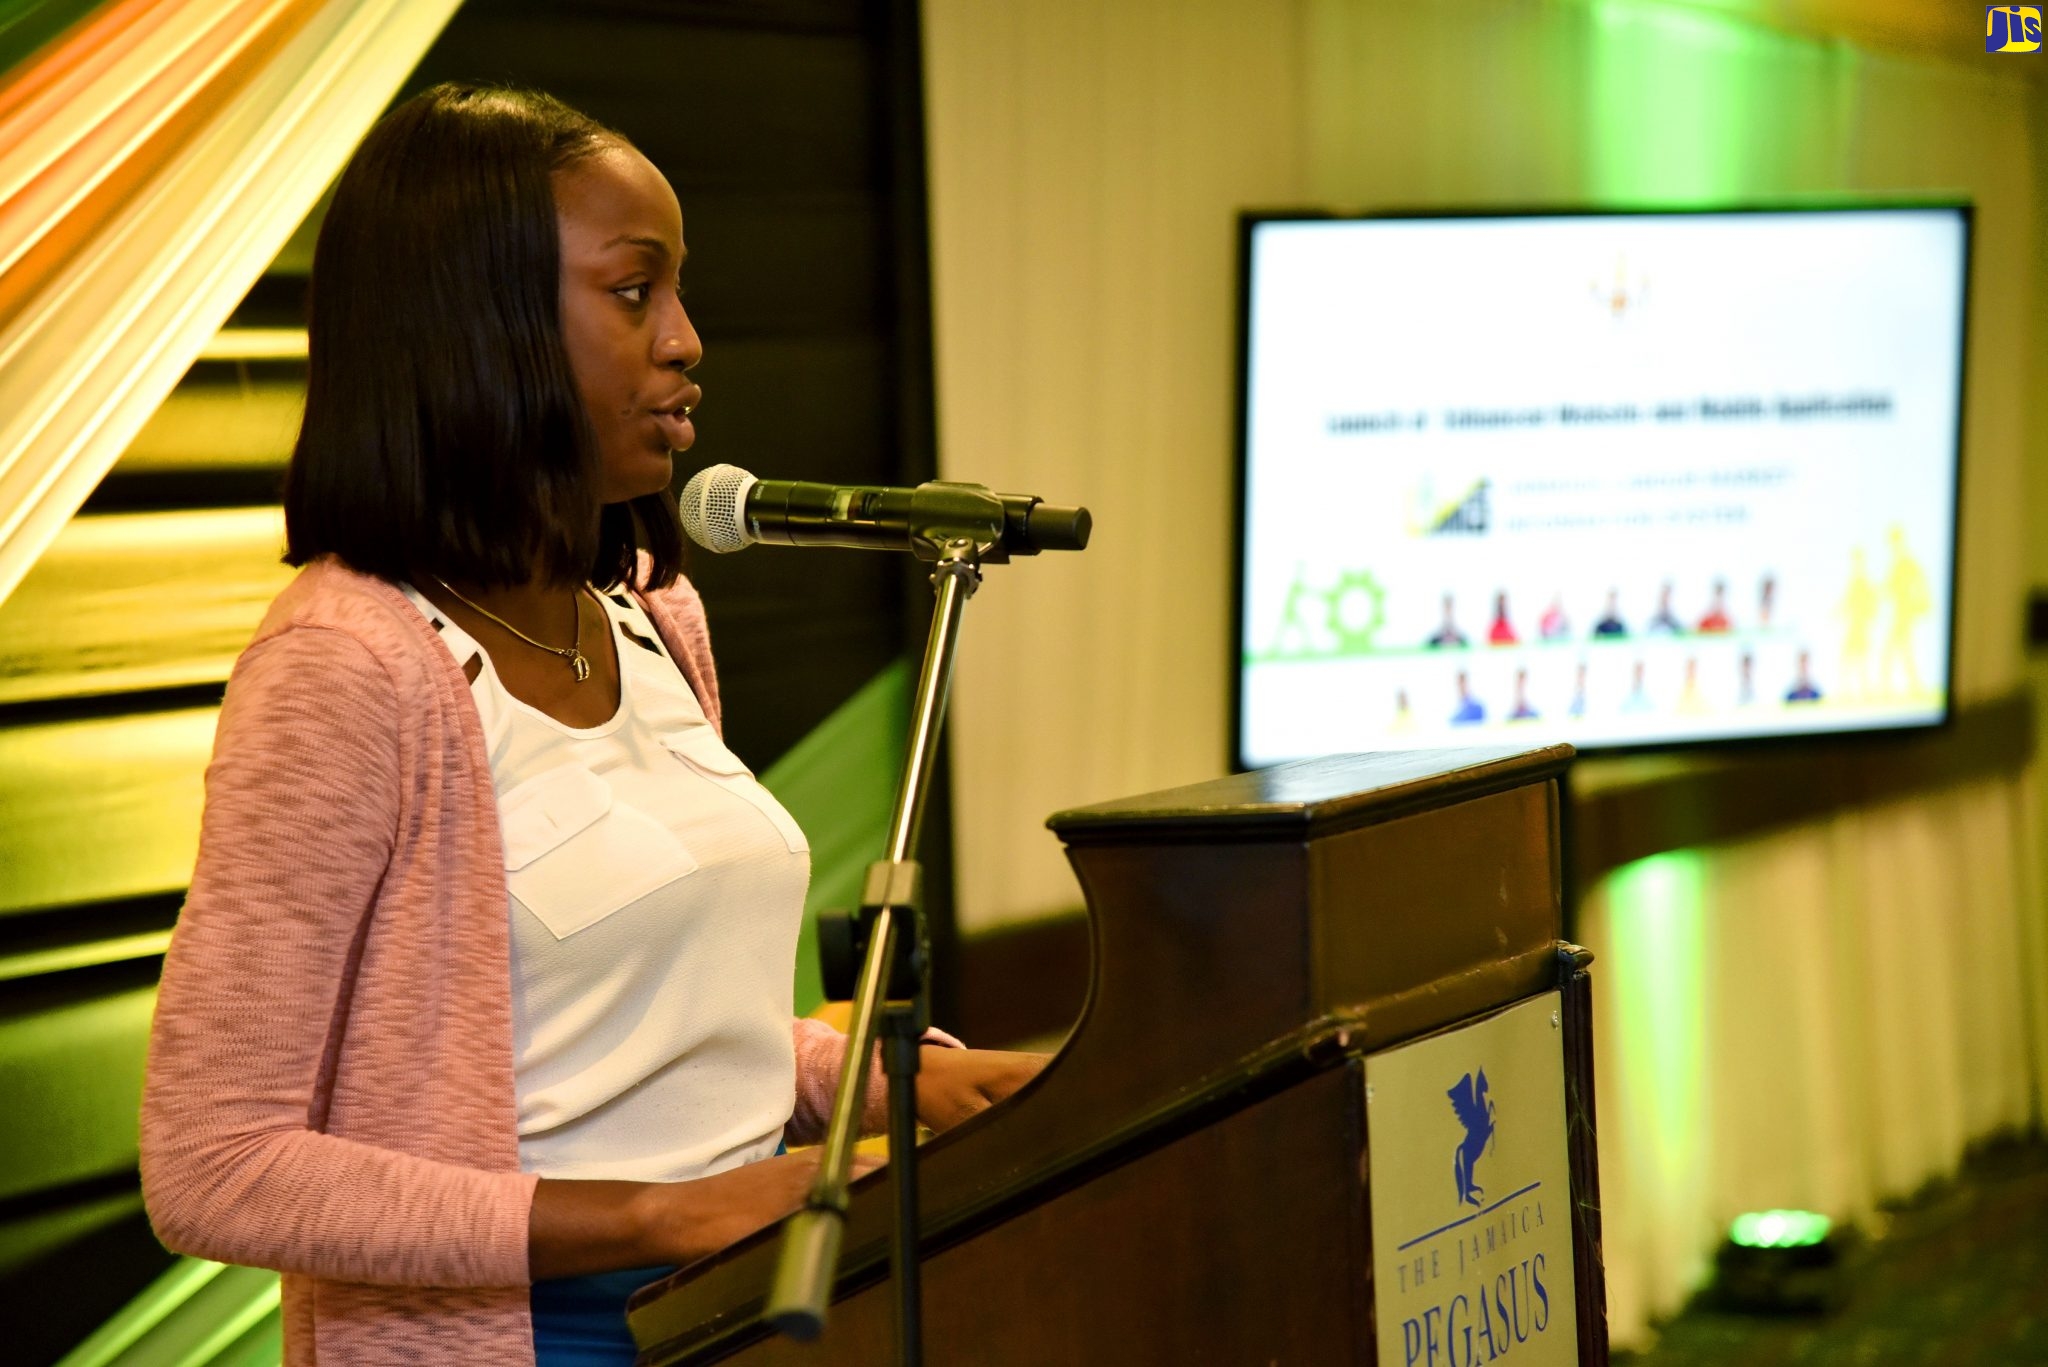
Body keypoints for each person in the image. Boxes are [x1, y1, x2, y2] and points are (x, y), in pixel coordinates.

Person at [139, 85, 1040, 1367]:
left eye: (679, 293)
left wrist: (856, 1075)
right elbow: (214, 1165)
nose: (686, 342)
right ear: (481, 324)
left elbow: (617, 1023)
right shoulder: (345, 668)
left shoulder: (652, 609)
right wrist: (669, 1212)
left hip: (742, 1310)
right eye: (634, 292)